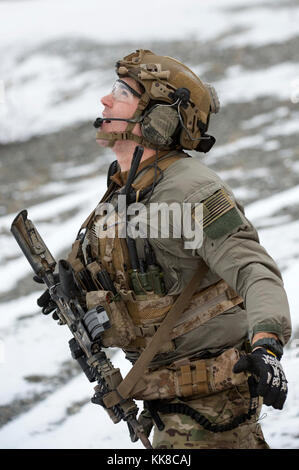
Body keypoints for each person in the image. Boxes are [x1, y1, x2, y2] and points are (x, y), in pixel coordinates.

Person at [38, 49, 291, 449]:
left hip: (213, 414)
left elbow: (254, 270)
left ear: (158, 119)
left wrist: (268, 344)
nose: (105, 100)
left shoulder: (191, 192)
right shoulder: (129, 185)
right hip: (166, 408)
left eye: (121, 92)